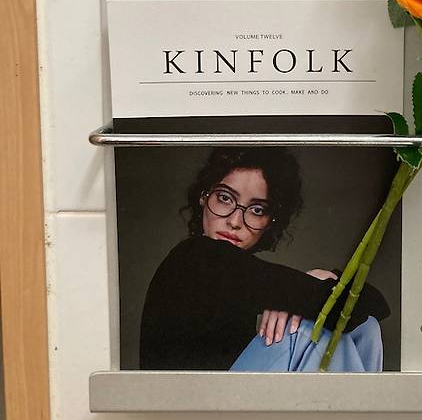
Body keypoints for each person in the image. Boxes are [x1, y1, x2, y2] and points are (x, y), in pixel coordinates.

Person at [139, 146, 390, 372]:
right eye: (225, 198)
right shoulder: (196, 257)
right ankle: (355, 410)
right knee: (308, 331)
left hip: (228, 400)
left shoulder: (244, 273)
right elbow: (345, 309)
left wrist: (321, 283)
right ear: (204, 197)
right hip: (188, 406)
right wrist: (313, 288)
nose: (235, 221)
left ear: (270, 221)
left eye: (257, 209)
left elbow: (374, 309)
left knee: (365, 327)